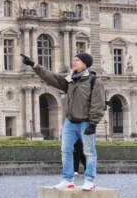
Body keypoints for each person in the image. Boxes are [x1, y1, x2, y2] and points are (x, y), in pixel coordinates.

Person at [22, 51, 105, 190]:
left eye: (77, 60)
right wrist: (34, 65)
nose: (73, 62)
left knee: (89, 152)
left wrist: (93, 123)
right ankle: (68, 179)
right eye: (73, 59)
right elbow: (52, 78)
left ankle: (89, 180)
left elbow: (98, 103)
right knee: (66, 150)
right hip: (70, 122)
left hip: (86, 122)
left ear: (85, 63)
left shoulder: (94, 81)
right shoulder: (70, 80)